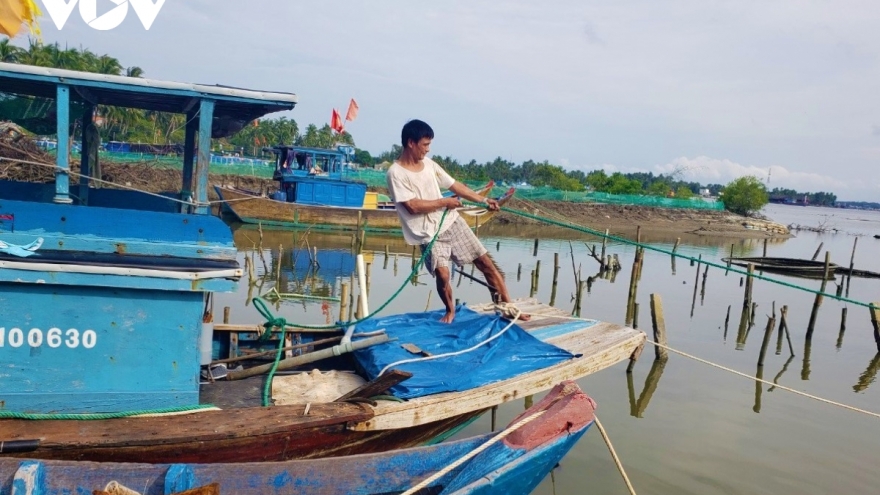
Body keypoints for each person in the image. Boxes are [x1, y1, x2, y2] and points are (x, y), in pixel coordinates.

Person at [386, 119, 529, 324]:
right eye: (425, 145)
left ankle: (509, 308)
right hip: (429, 234)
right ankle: (450, 311)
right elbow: (412, 206)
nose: (427, 150)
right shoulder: (395, 173)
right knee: (443, 276)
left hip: (451, 222)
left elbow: (454, 185)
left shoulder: (429, 164)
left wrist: (483, 200)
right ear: (411, 143)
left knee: (486, 263)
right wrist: (445, 202)